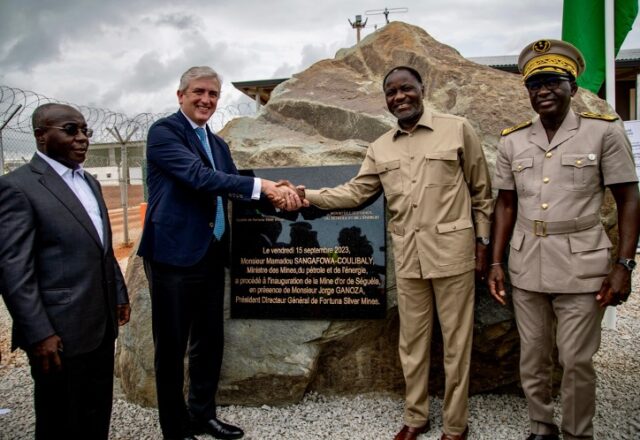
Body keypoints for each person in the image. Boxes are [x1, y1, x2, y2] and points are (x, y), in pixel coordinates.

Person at [283, 65, 492, 440]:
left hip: (453, 254)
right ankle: (416, 416)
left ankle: (455, 424)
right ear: (386, 100)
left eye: (406, 89)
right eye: (391, 92)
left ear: (421, 89)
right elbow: (355, 193)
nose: (399, 97)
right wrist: (306, 196)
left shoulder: (457, 129)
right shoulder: (380, 147)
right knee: (411, 342)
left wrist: (483, 245)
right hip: (409, 257)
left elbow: (481, 193)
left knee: (457, 342)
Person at [137, 66, 301, 440]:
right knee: (172, 347)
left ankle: (202, 415)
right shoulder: (165, 133)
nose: (206, 100)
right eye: (198, 92)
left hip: (210, 253)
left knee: (209, 342)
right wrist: (265, 185)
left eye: (213, 94)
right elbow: (199, 178)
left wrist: (285, 198)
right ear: (181, 95)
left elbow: (236, 190)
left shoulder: (219, 145)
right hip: (172, 257)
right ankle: (175, 429)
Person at [488, 39, 640, 440]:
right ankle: (541, 427)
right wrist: (497, 262)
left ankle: (576, 432)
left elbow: (628, 198)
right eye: (535, 85)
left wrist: (624, 266)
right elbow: (504, 205)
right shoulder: (513, 140)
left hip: (582, 264)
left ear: (572, 86)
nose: (543, 91)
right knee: (533, 357)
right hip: (526, 264)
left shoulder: (603, 133)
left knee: (575, 360)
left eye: (553, 81)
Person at [0, 103, 130, 440]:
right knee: (60, 419)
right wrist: (39, 333)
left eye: (86, 130)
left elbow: (101, 248)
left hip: (99, 326)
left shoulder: (89, 182)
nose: (82, 138)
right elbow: (14, 270)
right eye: (70, 130)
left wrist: (118, 292)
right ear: (41, 136)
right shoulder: (19, 187)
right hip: (59, 335)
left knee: (96, 412)